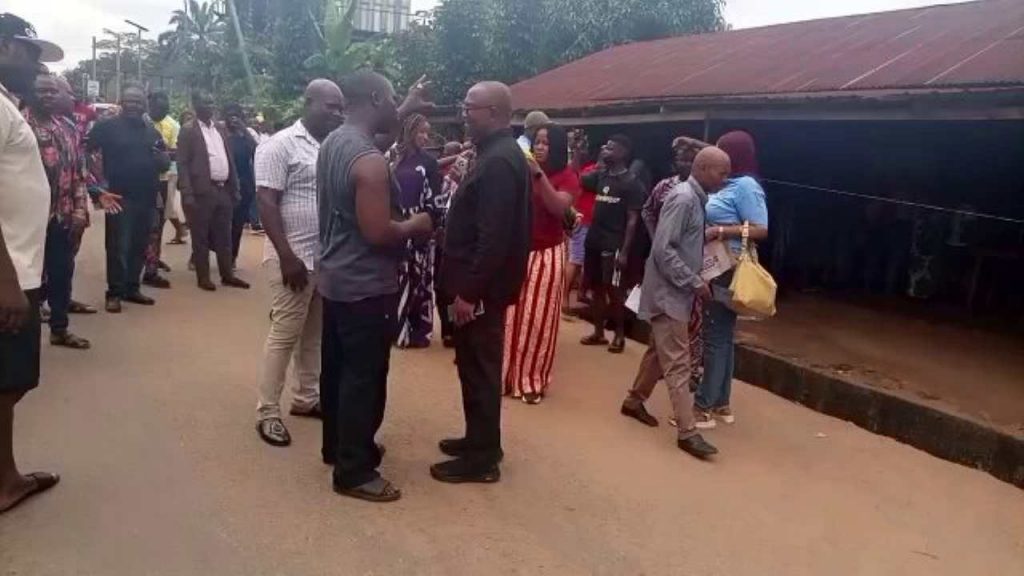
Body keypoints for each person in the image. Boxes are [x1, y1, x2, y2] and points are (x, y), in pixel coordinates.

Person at [317, 70, 433, 502]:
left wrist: (407, 105)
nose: (394, 107)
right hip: (366, 283)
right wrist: (417, 224)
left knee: (338, 369)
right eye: (391, 99)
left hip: (335, 277)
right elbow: (379, 232)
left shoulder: (335, 142)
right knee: (365, 376)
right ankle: (355, 471)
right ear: (374, 97)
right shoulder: (368, 162)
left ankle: (340, 446)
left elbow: (373, 147)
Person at [434, 81, 531, 484]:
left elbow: (493, 237)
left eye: (469, 107)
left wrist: (469, 293)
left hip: (481, 291)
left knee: (480, 369)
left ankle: (483, 459)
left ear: (492, 112)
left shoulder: (499, 162)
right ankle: (479, 439)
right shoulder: (495, 154)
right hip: (477, 285)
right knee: (472, 366)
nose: (463, 114)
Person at [620, 147, 732, 459]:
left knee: (660, 350)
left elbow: (676, 244)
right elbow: (663, 250)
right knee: (679, 363)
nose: (725, 180)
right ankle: (687, 431)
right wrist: (694, 281)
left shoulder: (695, 198)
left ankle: (634, 401)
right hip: (670, 293)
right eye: (722, 173)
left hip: (673, 291)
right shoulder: (684, 199)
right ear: (705, 168)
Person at [253, 79, 344, 447]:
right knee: (284, 335)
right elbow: (265, 201)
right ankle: (267, 412)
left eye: (341, 108)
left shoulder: (331, 146)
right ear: (307, 103)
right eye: (330, 107)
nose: (337, 114)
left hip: (324, 260)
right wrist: (287, 255)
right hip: (293, 260)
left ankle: (306, 398)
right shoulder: (281, 145)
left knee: (314, 334)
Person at [0, 11, 62, 515]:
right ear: (3, 47)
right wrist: (6, 284)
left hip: (19, 266)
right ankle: (5, 482)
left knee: (11, 380)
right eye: (29, 52)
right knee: (8, 381)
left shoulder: (7, 105)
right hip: (8, 273)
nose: (36, 65)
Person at [695, 130, 768, 428]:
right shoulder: (730, 184)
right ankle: (722, 403)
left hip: (727, 267)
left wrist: (721, 231)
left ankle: (703, 407)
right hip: (717, 265)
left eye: (723, 152)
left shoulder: (746, 186)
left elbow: (761, 229)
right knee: (722, 336)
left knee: (714, 337)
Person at [503, 123, 578, 403]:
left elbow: (559, 208)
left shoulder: (568, 176)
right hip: (518, 250)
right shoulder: (520, 170)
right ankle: (506, 377)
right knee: (510, 317)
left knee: (537, 321)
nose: (540, 146)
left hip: (546, 254)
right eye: (537, 141)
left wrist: (537, 173)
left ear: (557, 147)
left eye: (546, 142)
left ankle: (531, 380)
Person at [87, 83, 169, 313]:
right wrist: (98, 188)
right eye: (129, 101)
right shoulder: (106, 127)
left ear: (144, 106)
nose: (133, 105)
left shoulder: (152, 132)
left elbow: (164, 161)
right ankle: (114, 293)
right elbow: (87, 153)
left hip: (147, 196)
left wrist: (161, 158)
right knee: (117, 246)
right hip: (118, 196)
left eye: (138, 102)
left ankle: (132, 288)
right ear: (121, 104)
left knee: (139, 244)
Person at [23, 73, 91, 349]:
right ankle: (22, 337)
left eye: (53, 91)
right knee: (26, 277)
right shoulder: (20, 126)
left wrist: (79, 209)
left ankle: (59, 329)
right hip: (27, 218)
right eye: (42, 91)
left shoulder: (67, 127)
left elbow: (78, 172)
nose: (48, 96)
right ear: (31, 93)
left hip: (61, 216)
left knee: (62, 273)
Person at [579, 134, 645, 353]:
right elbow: (580, 179)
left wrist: (625, 251)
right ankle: (598, 332)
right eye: (605, 147)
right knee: (596, 288)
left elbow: (633, 219)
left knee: (614, 290)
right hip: (594, 240)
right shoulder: (601, 175)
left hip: (614, 243)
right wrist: (598, 160)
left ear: (623, 153)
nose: (606, 150)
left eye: (611, 148)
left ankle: (619, 334)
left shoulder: (632, 183)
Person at [178, 91, 250, 291]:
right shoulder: (188, 130)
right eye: (205, 102)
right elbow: (182, 163)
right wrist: (187, 192)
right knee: (200, 236)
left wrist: (234, 188)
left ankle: (227, 275)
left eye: (211, 101)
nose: (210, 105)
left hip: (223, 190)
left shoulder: (220, 128)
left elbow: (229, 159)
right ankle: (204, 277)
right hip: (202, 191)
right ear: (195, 105)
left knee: (224, 236)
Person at [391, 113, 443, 348]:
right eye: (420, 131)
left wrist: (427, 224)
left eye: (427, 132)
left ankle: (419, 331)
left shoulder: (429, 163)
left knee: (420, 281)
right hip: (394, 227)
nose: (424, 137)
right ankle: (397, 329)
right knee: (396, 278)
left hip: (420, 228)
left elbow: (436, 200)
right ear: (408, 131)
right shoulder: (393, 159)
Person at [142, 91, 179, 289]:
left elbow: (174, 153)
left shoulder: (172, 125)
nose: (161, 112)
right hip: (139, 181)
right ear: (149, 105)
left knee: (158, 224)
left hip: (161, 180)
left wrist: (162, 154)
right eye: (158, 108)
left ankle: (152, 265)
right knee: (138, 225)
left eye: (165, 109)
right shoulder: (139, 122)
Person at [563, 128, 596, 311]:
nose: (582, 152)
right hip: (582, 220)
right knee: (575, 260)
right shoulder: (583, 171)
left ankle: (580, 293)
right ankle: (565, 299)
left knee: (582, 261)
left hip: (591, 222)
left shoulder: (590, 169)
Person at [225, 103, 258, 265]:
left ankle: (231, 258)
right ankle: (199, 253)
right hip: (225, 185)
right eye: (230, 115)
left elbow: (257, 152)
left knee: (237, 224)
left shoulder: (247, 135)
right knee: (217, 222)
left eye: (236, 115)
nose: (233, 119)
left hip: (244, 185)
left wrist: (243, 130)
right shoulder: (219, 134)